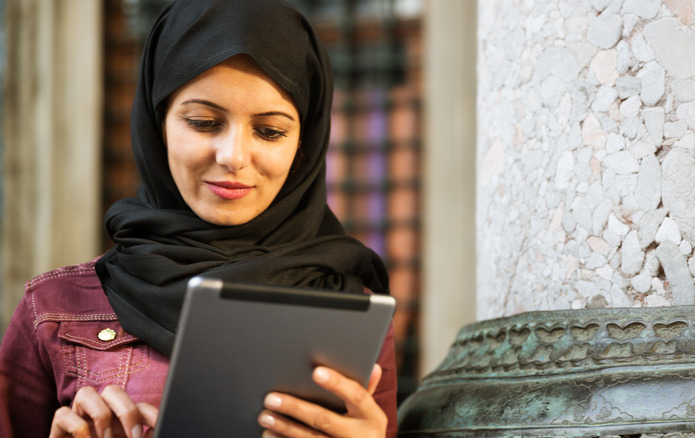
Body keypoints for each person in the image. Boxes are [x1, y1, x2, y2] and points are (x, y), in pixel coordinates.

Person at [0, 0, 398, 437]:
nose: (233, 157)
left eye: (270, 131)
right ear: (158, 123)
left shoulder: (350, 314)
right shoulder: (56, 310)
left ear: (305, 143)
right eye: (204, 122)